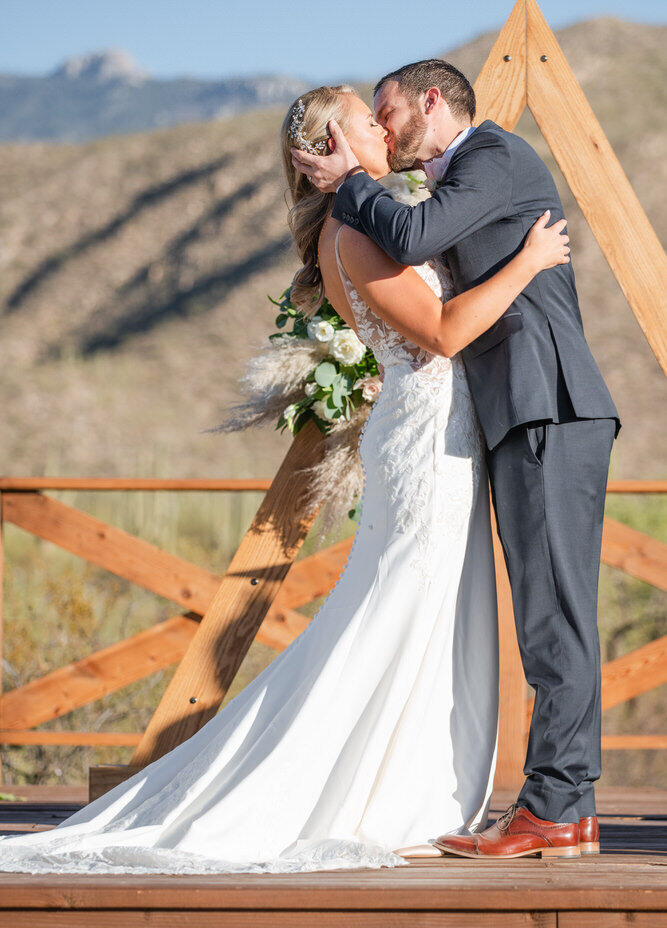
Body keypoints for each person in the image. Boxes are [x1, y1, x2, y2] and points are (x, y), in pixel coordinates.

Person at [0, 83, 570, 876]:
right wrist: (528, 262)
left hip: (441, 431)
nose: (383, 126)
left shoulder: (367, 221)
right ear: (334, 149)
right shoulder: (356, 232)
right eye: (366, 121)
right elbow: (440, 333)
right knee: (398, 605)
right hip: (427, 437)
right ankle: (347, 789)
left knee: (423, 605)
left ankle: (409, 782)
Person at [291, 60, 620, 860]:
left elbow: (411, 239)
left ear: (429, 101)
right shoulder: (441, 184)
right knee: (544, 608)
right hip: (516, 411)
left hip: (549, 405)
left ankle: (555, 802)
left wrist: (347, 181)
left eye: (386, 109)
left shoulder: (492, 158)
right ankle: (560, 805)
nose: (381, 122)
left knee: (553, 610)